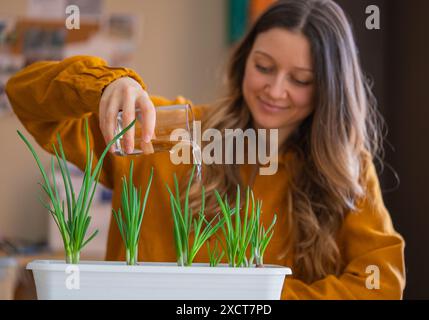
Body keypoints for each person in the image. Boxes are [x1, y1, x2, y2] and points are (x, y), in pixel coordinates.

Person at [6, 0, 405, 299]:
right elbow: (25, 95)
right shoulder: (167, 131)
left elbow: (380, 283)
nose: (275, 89)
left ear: (330, 89)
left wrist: (251, 298)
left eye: (300, 79)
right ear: (244, 60)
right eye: (264, 67)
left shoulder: (345, 168)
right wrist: (106, 85)